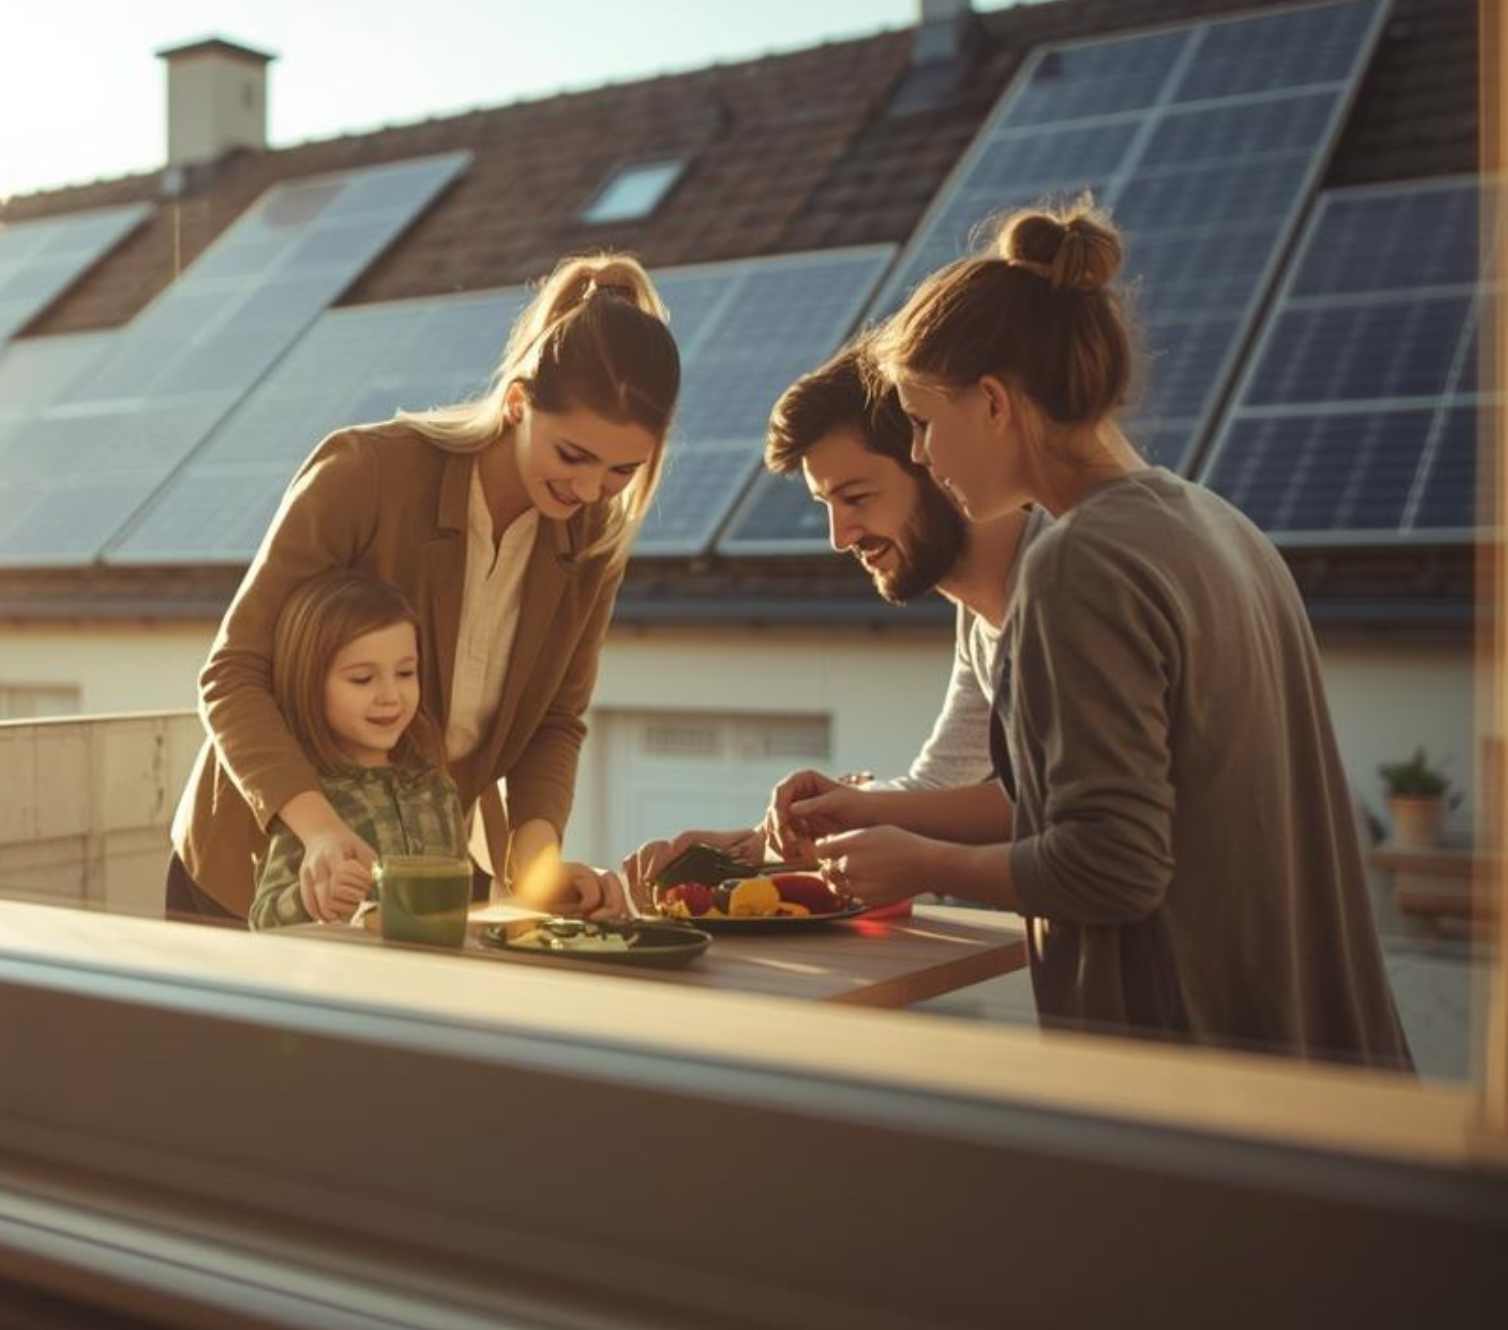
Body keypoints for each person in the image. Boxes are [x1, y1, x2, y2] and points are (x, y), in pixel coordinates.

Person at [814, 200, 1412, 1066]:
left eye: (920, 420)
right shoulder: (1220, 526)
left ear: (991, 403)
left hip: (1195, 1075)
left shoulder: (1077, 567)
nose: (922, 455)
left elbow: (1113, 864)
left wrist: (921, 865)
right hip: (1320, 1056)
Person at [170, 255, 681, 929]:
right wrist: (320, 833)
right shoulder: (366, 474)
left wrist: (538, 869)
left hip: (421, 883)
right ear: (520, 402)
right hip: (259, 876)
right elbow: (232, 674)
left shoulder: (588, 543)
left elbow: (554, 720)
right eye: (572, 456)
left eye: (622, 470)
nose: (590, 490)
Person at [616, 342, 1039, 892]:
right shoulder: (981, 619)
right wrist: (758, 845)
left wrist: (879, 826)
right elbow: (937, 787)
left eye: (858, 497)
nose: (840, 538)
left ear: (933, 460)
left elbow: (1053, 808)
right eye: (826, 506)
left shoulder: (1064, 582)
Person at [245, 571, 468, 930]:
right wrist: (313, 900)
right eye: (362, 679)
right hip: (344, 982)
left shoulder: (437, 790)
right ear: (309, 683)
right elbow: (264, 918)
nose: (391, 695)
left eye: (406, 673)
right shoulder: (307, 798)